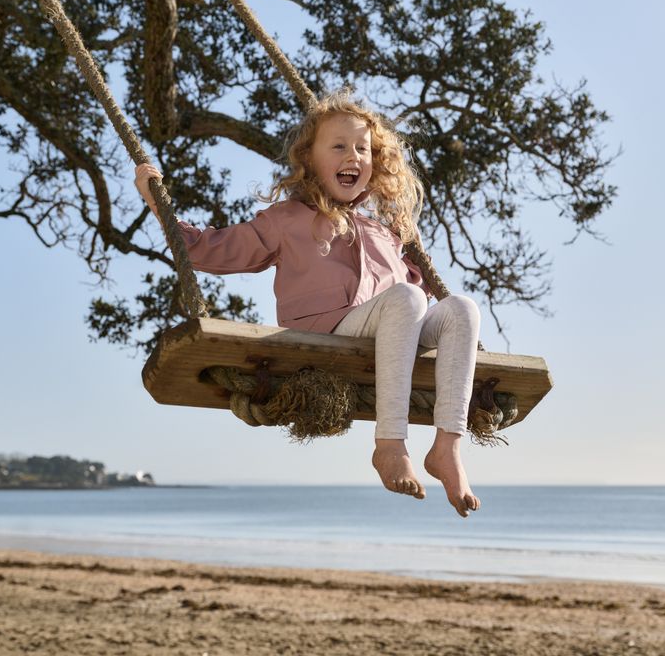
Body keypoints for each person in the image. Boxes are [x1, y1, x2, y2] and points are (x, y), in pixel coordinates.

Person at [134, 91, 482, 517]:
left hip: (389, 334)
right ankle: (390, 444)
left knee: (461, 309)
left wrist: (410, 258)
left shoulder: (385, 233)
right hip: (329, 334)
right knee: (407, 299)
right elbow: (211, 250)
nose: (352, 155)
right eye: (338, 146)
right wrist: (157, 204)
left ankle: (447, 448)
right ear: (309, 159)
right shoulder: (288, 219)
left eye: (362, 149)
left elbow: (414, 296)